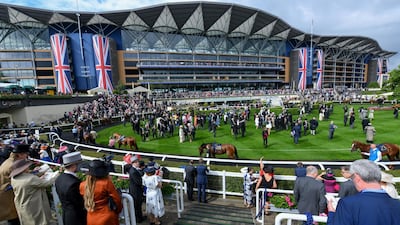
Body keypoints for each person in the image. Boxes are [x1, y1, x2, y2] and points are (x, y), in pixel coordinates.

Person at [327, 159, 400, 225]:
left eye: (352, 178)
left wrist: (332, 214)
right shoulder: (397, 204)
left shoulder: (347, 203)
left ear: (357, 178)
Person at [10, 158, 59, 225]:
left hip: (21, 204)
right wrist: (57, 175)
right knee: (39, 221)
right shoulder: (30, 179)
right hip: (33, 205)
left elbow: (29, 179)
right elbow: (47, 183)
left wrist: (39, 176)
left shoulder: (14, 178)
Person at [79, 159, 122, 225]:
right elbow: (117, 200)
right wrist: (117, 211)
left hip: (91, 218)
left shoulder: (82, 185)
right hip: (107, 218)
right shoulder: (106, 183)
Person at [0, 144, 30, 225]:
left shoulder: (9, 161)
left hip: (6, 194)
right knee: (14, 219)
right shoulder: (12, 165)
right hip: (8, 196)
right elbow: (24, 179)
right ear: (20, 154)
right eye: (26, 154)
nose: (27, 156)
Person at [55, 152, 86, 225]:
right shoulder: (74, 183)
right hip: (76, 219)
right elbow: (80, 203)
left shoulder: (60, 178)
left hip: (66, 215)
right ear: (74, 166)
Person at [128, 155, 146, 223]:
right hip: (136, 191)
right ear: (134, 163)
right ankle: (138, 219)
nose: (139, 163)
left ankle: (139, 217)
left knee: (138, 205)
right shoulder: (133, 171)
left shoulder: (133, 170)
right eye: (137, 162)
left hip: (135, 190)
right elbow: (139, 182)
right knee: (137, 205)